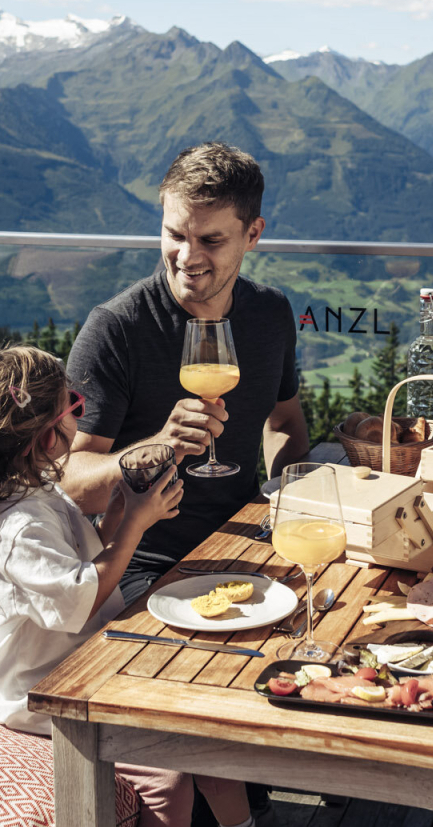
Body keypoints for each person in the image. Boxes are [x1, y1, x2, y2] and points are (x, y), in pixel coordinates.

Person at [0, 345, 257, 827]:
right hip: (39, 687)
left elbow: (77, 559)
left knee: (203, 730)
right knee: (166, 777)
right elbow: (81, 598)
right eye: (76, 409)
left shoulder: (34, 488)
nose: (81, 418)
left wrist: (119, 514)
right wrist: (135, 528)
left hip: (79, 656)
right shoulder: (16, 525)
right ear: (47, 437)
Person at [63, 142, 311, 600]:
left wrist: (286, 501)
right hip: (142, 566)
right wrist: (159, 447)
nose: (187, 256)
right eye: (175, 234)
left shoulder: (271, 313)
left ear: (252, 234)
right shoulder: (117, 328)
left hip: (251, 542)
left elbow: (284, 422)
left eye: (210, 240)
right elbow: (70, 485)